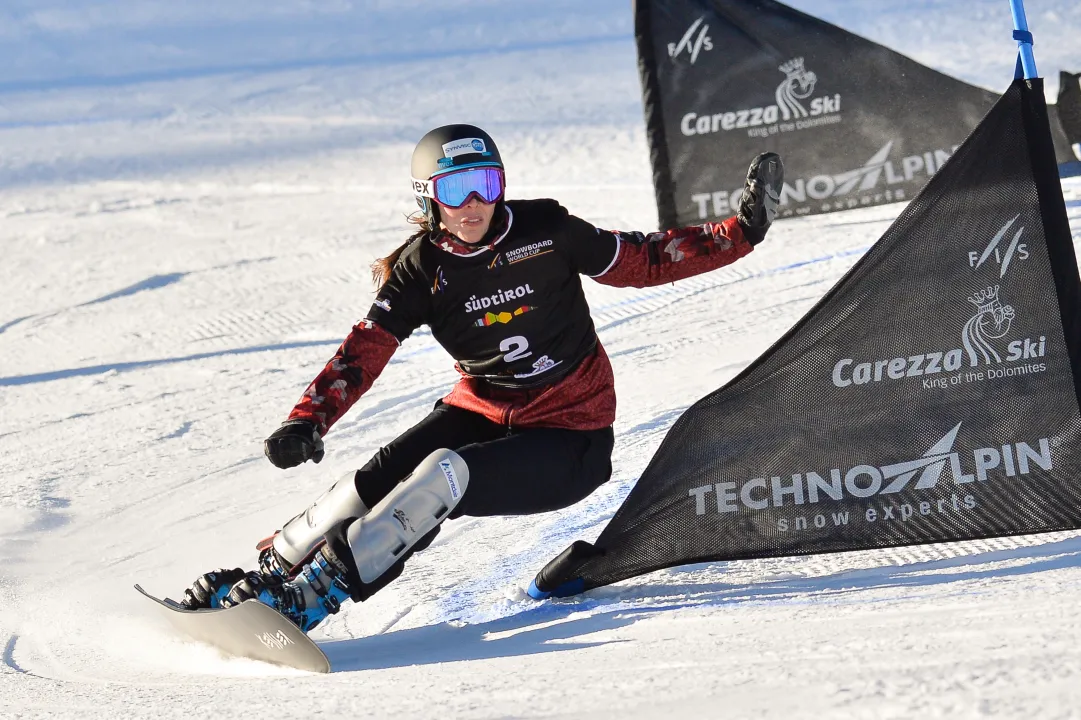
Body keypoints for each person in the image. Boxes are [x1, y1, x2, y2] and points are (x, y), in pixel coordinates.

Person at [182, 124, 784, 632]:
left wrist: (742, 231)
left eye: (486, 185)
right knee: (372, 480)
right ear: (428, 201)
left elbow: (643, 259)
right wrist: (307, 418)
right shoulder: (421, 269)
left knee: (445, 477)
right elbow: (365, 348)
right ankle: (267, 579)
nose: (473, 204)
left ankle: (313, 599)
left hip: (570, 436)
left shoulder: (545, 230)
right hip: (482, 411)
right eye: (455, 190)